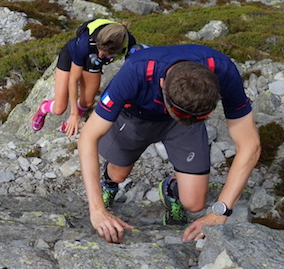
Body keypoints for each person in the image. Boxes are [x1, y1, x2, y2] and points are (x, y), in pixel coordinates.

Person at [77, 44, 260, 244]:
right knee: (119, 174)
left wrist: (221, 211)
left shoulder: (222, 70)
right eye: (183, 114)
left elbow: (250, 146)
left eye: (204, 115)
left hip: (184, 124)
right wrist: (97, 210)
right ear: (162, 83)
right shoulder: (136, 71)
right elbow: (88, 137)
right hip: (136, 117)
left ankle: (171, 188)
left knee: (195, 202)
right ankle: (109, 183)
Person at [31, 18, 136, 137]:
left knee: (87, 102)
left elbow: (131, 69)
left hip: (92, 62)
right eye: (100, 49)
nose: (101, 55)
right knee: (59, 108)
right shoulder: (85, 43)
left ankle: (70, 123)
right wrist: (74, 114)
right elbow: (73, 79)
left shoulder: (129, 43)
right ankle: (43, 108)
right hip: (72, 54)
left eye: (105, 54)